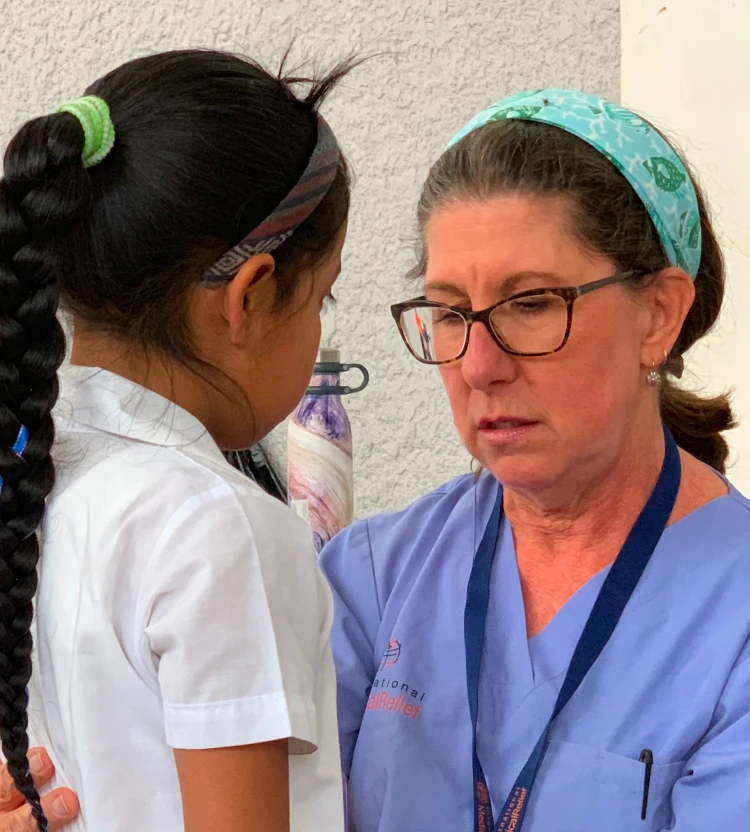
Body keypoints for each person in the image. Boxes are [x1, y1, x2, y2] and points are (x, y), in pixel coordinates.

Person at [320, 90, 750, 831]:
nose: (479, 365)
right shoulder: (374, 579)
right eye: (450, 313)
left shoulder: (732, 616)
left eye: (531, 303)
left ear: (659, 316)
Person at [0, 49, 353, 832]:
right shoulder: (216, 526)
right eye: (324, 295)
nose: (322, 322)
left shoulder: (33, 476)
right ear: (251, 295)